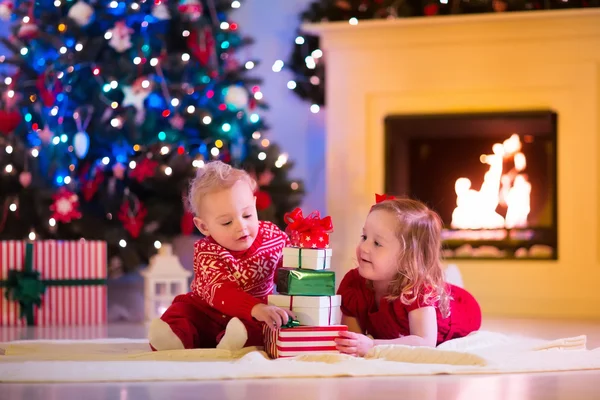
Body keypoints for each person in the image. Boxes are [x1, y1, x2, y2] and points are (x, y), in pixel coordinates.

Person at [148, 161, 294, 351]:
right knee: (182, 312)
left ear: (255, 206)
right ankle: (174, 337)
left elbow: (289, 270)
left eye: (248, 215)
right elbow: (222, 291)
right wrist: (254, 308)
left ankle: (237, 339)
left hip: (253, 315)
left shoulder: (273, 237)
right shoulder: (207, 252)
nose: (241, 226)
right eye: (226, 222)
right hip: (207, 312)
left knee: (267, 324)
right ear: (204, 227)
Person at [335, 197, 481, 357]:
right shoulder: (353, 284)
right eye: (364, 237)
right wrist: (355, 345)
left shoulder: (417, 290)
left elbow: (425, 342)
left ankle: (446, 285)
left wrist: (373, 345)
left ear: (408, 258)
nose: (363, 247)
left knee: (437, 294)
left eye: (377, 243)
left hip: (462, 309)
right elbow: (352, 341)